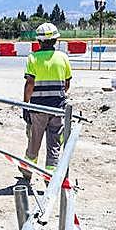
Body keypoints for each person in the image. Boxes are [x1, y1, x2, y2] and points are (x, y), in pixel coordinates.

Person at [20, 22, 71, 183]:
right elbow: (67, 83)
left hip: (37, 108)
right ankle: (50, 175)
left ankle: (27, 171)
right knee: (54, 143)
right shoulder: (63, 57)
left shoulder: (33, 58)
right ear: (56, 40)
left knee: (34, 140)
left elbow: (30, 84)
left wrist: (26, 105)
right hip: (58, 109)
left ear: (39, 41)